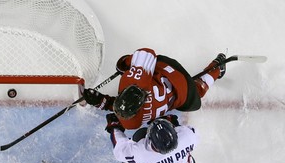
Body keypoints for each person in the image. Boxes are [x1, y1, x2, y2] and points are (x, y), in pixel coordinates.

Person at [82, 47, 226, 130]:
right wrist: (125, 62)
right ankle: (217, 68)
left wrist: (100, 101)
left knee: (196, 93)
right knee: (190, 90)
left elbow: (116, 108)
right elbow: (146, 53)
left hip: (182, 93)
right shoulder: (134, 80)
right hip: (171, 71)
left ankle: (217, 68)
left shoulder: (131, 123)